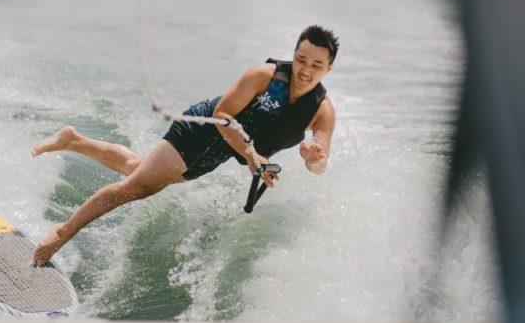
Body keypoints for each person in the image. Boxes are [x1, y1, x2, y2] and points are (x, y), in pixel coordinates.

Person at [30, 24, 338, 265]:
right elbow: (222, 115)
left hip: (221, 152)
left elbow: (319, 162)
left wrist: (312, 157)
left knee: (137, 168)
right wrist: (251, 155)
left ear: (329, 69)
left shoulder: (322, 111)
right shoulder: (264, 76)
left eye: (316, 65)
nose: (306, 70)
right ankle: (61, 233)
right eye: (301, 59)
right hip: (201, 128)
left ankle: (72, 140)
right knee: (139, 186)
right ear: (293, 54)